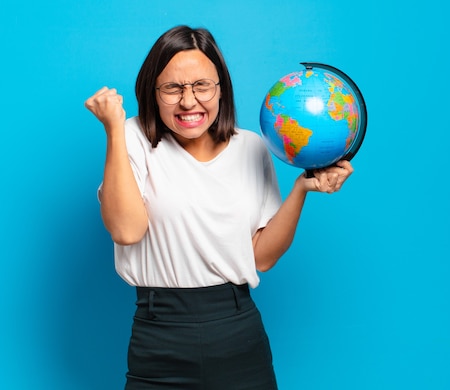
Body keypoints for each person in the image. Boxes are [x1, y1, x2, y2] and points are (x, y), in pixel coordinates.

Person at [84, 25, 353, 389]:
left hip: (238, 331)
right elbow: (126, 230)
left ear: (220, 89)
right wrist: (114, 130)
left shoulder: (252, 147)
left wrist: (301, 189)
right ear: (153, 91)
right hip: (158, 332)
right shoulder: (132, 137)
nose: (189, 101)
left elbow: (261, 258)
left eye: (201, 86)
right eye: (172, 88)